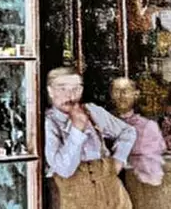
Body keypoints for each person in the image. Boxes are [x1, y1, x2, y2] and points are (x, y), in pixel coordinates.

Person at [44, 66, 136, 209]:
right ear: (50, 90)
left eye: (76, 88)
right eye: (62, 88)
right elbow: (64, 170)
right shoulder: (48, 123)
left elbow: (128, 132)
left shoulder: (92, 111)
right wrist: (77, 129)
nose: (70, 95)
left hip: (112, 194)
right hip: (74, 197)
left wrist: (118, 160)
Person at [110, 76, 166, 186]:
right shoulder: (102, 122)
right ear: (111, 95)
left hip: (137, 185)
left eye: (126, 90)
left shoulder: (148, 126)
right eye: (117, 91)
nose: (122, 95)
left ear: (136, 94)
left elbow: (153, 166)